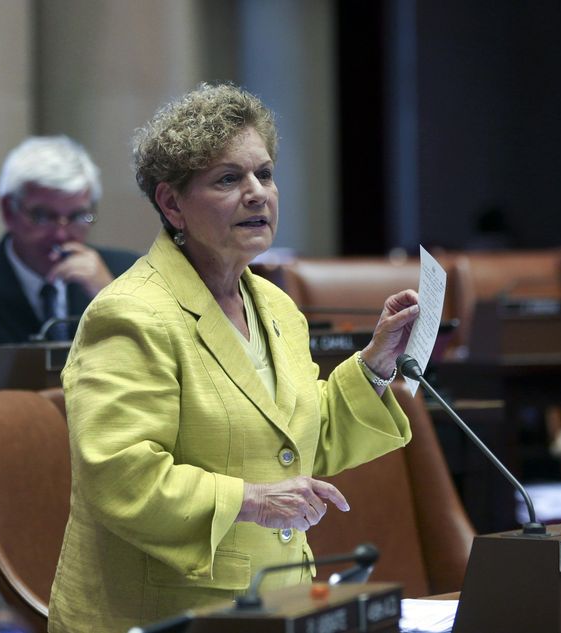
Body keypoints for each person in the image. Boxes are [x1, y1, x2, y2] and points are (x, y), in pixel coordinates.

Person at [47, 83, 420, 632]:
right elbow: (120, 475)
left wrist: (376, 364)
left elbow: (297, 444)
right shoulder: (131, 314)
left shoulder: (275, 305)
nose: (257, 194)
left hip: (276, 601)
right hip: (163, 615)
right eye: (228, 179)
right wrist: (252, 500)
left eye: (264, 174)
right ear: (171, 202)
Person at [0, 136, 139, 353]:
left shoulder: (129, 275)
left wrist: (111, 297)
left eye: (77, 216)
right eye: (42, 216)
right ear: (8, 211)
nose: (61, 234)